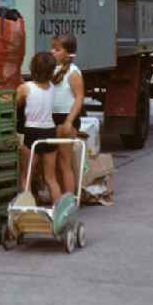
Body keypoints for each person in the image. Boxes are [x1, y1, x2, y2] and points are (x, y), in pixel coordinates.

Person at [15, 52, 61, 205]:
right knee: (51, 177)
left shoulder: (24, 88)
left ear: (32, 68)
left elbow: (15, 105)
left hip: (32, 132)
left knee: (26, 175)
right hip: (50, 131)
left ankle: (28, 209)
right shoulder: (53, 88)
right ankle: (59, 211)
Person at [50, 33, 85, 196]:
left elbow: (79, 98)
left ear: (68, 53)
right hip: (51, 119)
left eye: (57, 49)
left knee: (65, 163)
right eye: (52, 48)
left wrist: (69, 121)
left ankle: (69, 199)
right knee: (54, 162)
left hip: (66, 119)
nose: (52, 52)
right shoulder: (52, 69)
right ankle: (59, 198)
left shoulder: (73, 72)